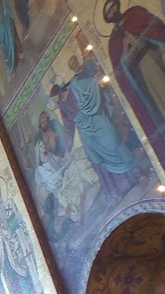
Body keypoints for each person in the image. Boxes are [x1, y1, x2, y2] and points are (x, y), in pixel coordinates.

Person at [103, 0, 165, 171]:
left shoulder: (135, 14)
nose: (113, 11)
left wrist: (164, 49)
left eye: (113, 7)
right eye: (109, 12)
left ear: (118, 6)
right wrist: (125, 52)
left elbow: (156, 29)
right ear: (108, 18)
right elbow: (120, 71)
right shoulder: (113, 43)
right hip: (144, 79)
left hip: (158, 65)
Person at [50, 52, 140, 198]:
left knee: (114, 144)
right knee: (97, 158)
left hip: (98, 121)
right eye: (54, 100)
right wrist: (68, 146)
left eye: (55, 98)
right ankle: (117, 189)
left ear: (58, 92)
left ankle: (135, 175)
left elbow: (91, 80)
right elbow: (68, 127)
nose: (56, 101)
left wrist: (91, 63)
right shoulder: (62, 106)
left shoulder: (75, 85)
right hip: (86, 134)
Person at [0, 186, 52, 294]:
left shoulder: (10, 205)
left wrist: (12, 233)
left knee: (31, 285)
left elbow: (20, 223)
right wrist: (2, 240)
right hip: (10, 263)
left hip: (20, 254)